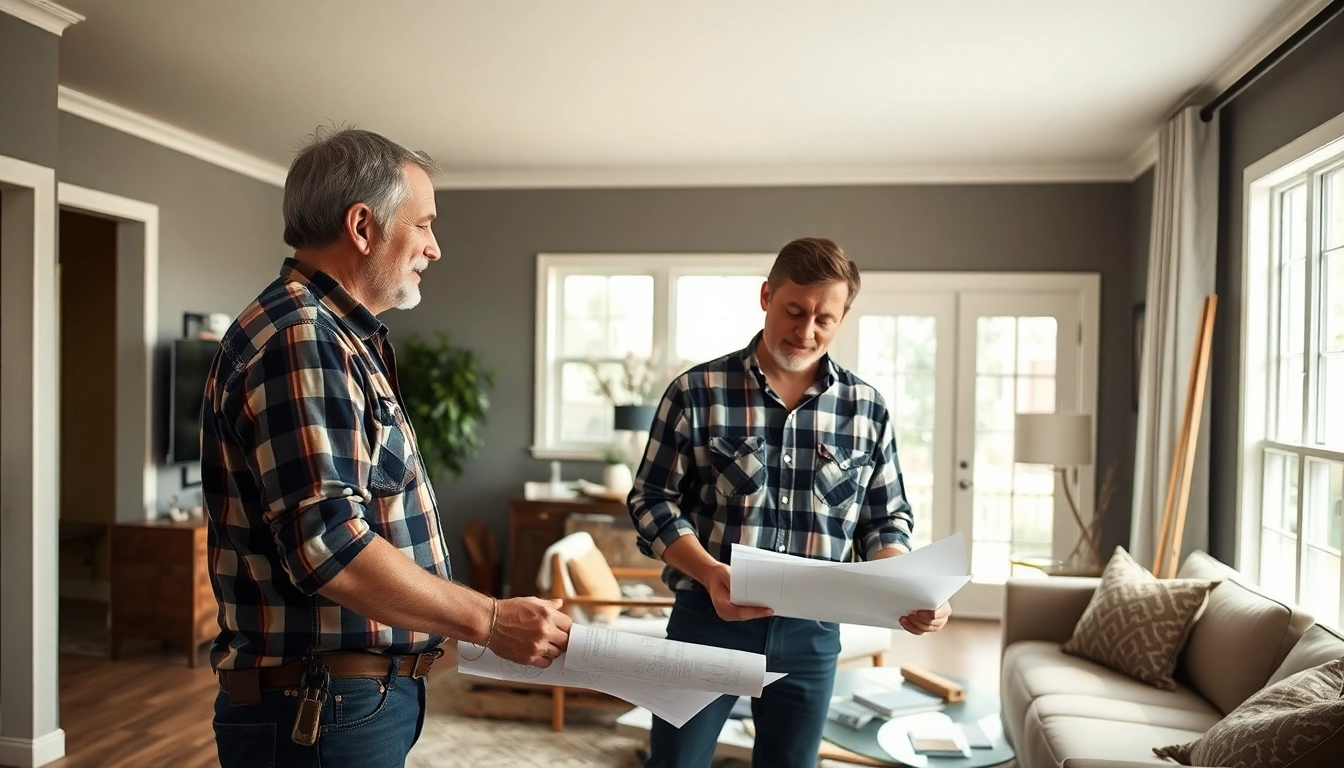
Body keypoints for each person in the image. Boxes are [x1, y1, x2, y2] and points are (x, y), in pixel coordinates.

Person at [202, 127, 571, 768]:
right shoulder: (305, 340)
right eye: (424, 224)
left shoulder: (333, 337)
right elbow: (330, 547)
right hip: (322, 708)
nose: (434, 246)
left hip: (339, 701)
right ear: (363, 226)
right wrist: (490, 619)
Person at [627, 237, 952, 768]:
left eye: (824, 318)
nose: (805, 332)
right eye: (794, 311)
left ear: (843, 317)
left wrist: (904, 586)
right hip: (707, 623)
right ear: (766, 296)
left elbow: (885, 518)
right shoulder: (696, 391)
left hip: (813, 635)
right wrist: (709, 572)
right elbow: (651, 500)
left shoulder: (866, 408)